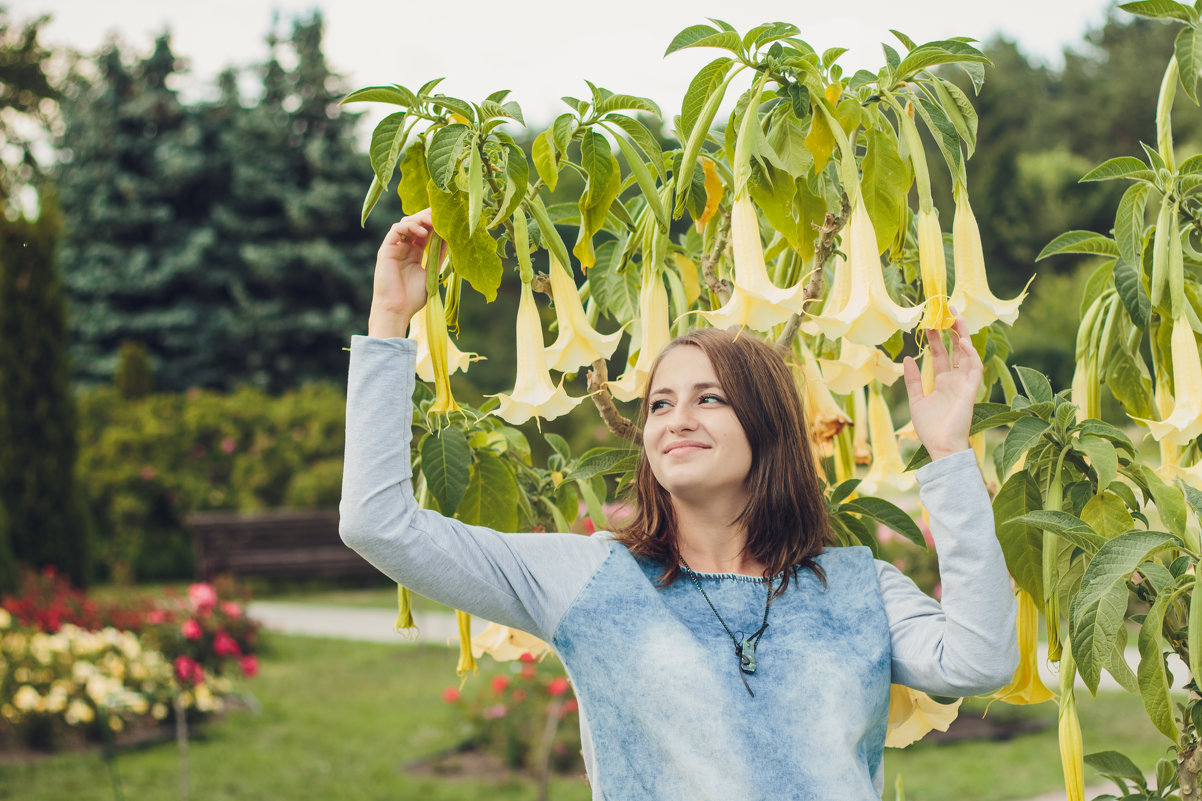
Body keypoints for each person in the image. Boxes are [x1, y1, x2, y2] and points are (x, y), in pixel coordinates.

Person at [340, 209, 1018, 800]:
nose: (674, 420)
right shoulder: (590, 579)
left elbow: (980, 659)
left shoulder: (854, 585)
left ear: (766, 425)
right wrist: (390, 320)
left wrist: (950, 454)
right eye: (660, 403)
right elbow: (379, 524)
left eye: (709, 398)